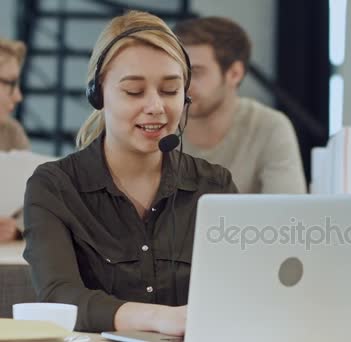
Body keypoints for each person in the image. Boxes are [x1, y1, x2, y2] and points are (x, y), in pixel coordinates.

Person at [22, 11, 237, 334]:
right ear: (98, 94)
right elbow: (59, 298)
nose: (156, 107)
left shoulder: (214, 185)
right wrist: (158, 317)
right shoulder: (54, 187)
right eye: (134, 92)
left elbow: (240, 291)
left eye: (170, 90)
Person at [173, 17, 307, 194]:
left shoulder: (269, 126)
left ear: (234, 74)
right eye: (177, 71)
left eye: (196, 72)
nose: (183, 84)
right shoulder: (158, 121)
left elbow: (288, 213)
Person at [0, 37, 30, 242]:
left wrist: (16, 229)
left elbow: (34, 205)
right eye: (11, 83)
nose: (18, 96)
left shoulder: (12, 133)